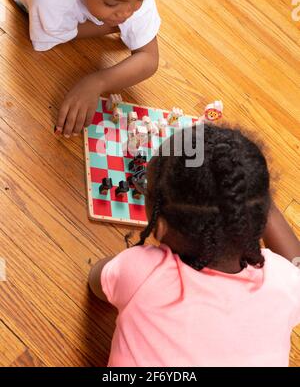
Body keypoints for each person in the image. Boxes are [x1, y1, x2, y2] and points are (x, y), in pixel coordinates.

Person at [89, 123, 300, 367]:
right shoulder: (282, 283)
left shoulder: (142, 272)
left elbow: (97, 281)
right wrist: (245, 197)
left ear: (160, 226)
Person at [0, 0, 160, 137]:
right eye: (111, 4)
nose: (128, 12)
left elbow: (149, 59)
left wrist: (97, 82)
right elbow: (56, 36)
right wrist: (111, 27)